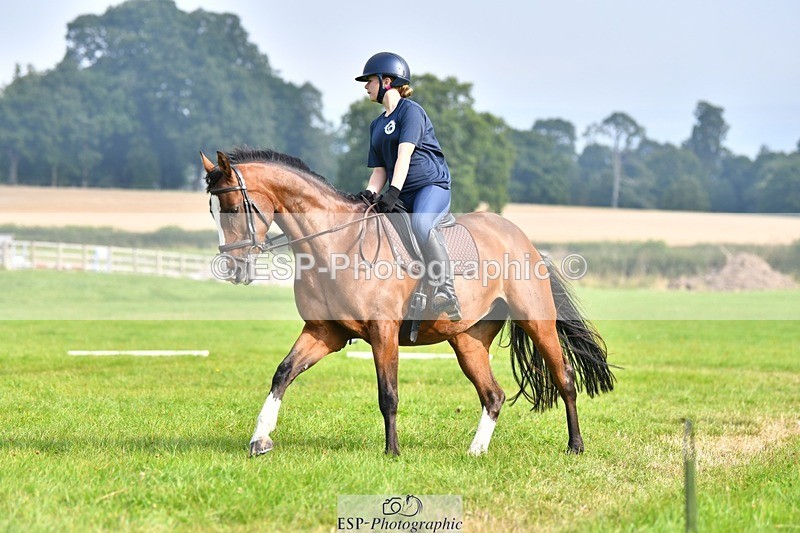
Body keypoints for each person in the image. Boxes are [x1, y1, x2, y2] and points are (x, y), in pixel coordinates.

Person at [355, 52, 461, 321]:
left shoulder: (411, 112)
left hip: (431, 187)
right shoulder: (377, 125)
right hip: (401, 191)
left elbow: (404, 155)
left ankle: (446, 291)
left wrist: (393, 192)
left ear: (387, 81)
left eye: (370, 81)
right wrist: (370, 194)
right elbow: (380, 170)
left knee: (422, 224)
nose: (366, 86)